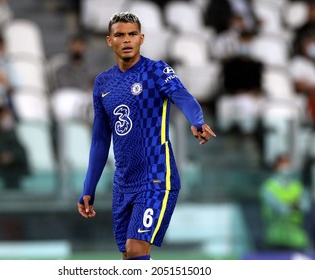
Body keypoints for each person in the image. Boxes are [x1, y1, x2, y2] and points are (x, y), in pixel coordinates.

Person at [77, 12, 216, 260]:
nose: (127, 40)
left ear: (142, 39)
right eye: (120, 34)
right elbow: (100, 140)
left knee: (136, 248)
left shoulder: (156, 71)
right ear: (110, 40)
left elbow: (183, 96)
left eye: (132, 34)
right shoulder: (103, 83)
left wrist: (197, 121)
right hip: (123, 182)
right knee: (129, 258)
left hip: (156, 177)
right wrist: (89, 187)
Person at [260, 155, 311, 251]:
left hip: (297, 237)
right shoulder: (268, 187)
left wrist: (289, 205)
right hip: (276, 237)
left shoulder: (297, 186)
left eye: (287, 166)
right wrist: (296, 204)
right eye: (282, 166)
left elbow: (306, 206)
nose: (285, 169)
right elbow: (281, 210)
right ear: (276, 168)